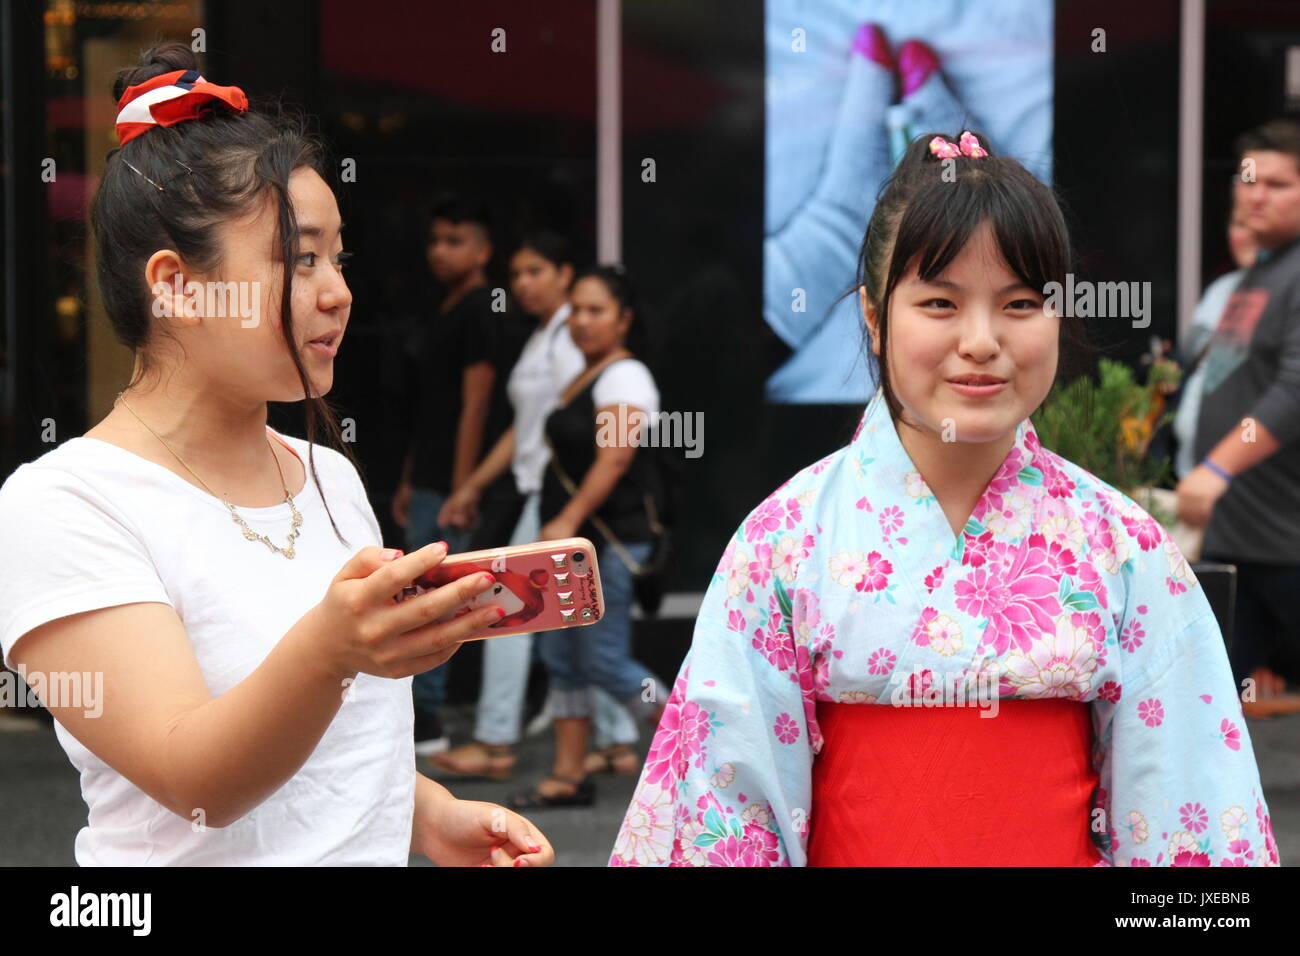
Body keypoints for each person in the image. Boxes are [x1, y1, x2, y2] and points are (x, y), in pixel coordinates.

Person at [610, 130, 1279, 867]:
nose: (983, 340)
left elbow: (1193, 815)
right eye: (939, 302)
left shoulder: (1123, 547)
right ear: (873, 315)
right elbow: (725, 808)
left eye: (1021, 302)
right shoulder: (785, 540)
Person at [0, 44, 553, 867]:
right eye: (299, 260)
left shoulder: (328, 474)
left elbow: (340, 754)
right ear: (177, 286)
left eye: (338, 256)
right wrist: (330, 650)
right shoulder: (66, 503)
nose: (338, 291)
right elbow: (199, 780)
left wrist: (423, 812)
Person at [431, 235, 639, 779]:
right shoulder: (547, 337)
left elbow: (600, 447)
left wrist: (568, 514)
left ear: (564, 273)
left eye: (535, 271)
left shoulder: (583, 346)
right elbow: (531, 429)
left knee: (517, 613)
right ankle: (617, 741)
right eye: (516, 273)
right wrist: (473, 484)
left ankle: (499, 741)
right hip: (540, 495)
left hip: (565, 504)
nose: (522, 283)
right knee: (573, 637)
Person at [509, 266, 668, 808]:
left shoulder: (624, 377)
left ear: (623, 319)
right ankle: (568, 774)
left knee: (603, 660)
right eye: (575, 309)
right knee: (565, 660)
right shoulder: (587, 373)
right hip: (572, 550)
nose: (581, 321)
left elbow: (616, 458)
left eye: (596, 310)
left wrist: (566, 519)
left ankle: (697, 738)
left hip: (603, 543)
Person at [1180, 119, 1300, 718]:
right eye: (1248, 179)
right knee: (1204, 697)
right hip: (1244, 540)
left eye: (1276, 183)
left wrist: (1216, 470)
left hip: (1285, 541)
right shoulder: (1261, 272)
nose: (1255, 194)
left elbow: (1294, 391)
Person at [391, 195, 499, 756]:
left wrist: (462, 488)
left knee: (436, 596)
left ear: (483, 251)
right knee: (423, 592)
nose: (440, 251)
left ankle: (428, 720)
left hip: (451, 483)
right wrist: (411, 478)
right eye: (435, 240)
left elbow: (475, 407)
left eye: (454, 240)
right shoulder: (445, 307)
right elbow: (430, 408)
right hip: (430, 475)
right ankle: (424, 717)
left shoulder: (481, 310)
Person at [1172, 187, 1258, 480]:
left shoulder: (1288, 297)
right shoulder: (1221, 290)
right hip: (1196, 473)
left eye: (1255, 223)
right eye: (1239, 224)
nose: (1247, 235)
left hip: (1248, 483)